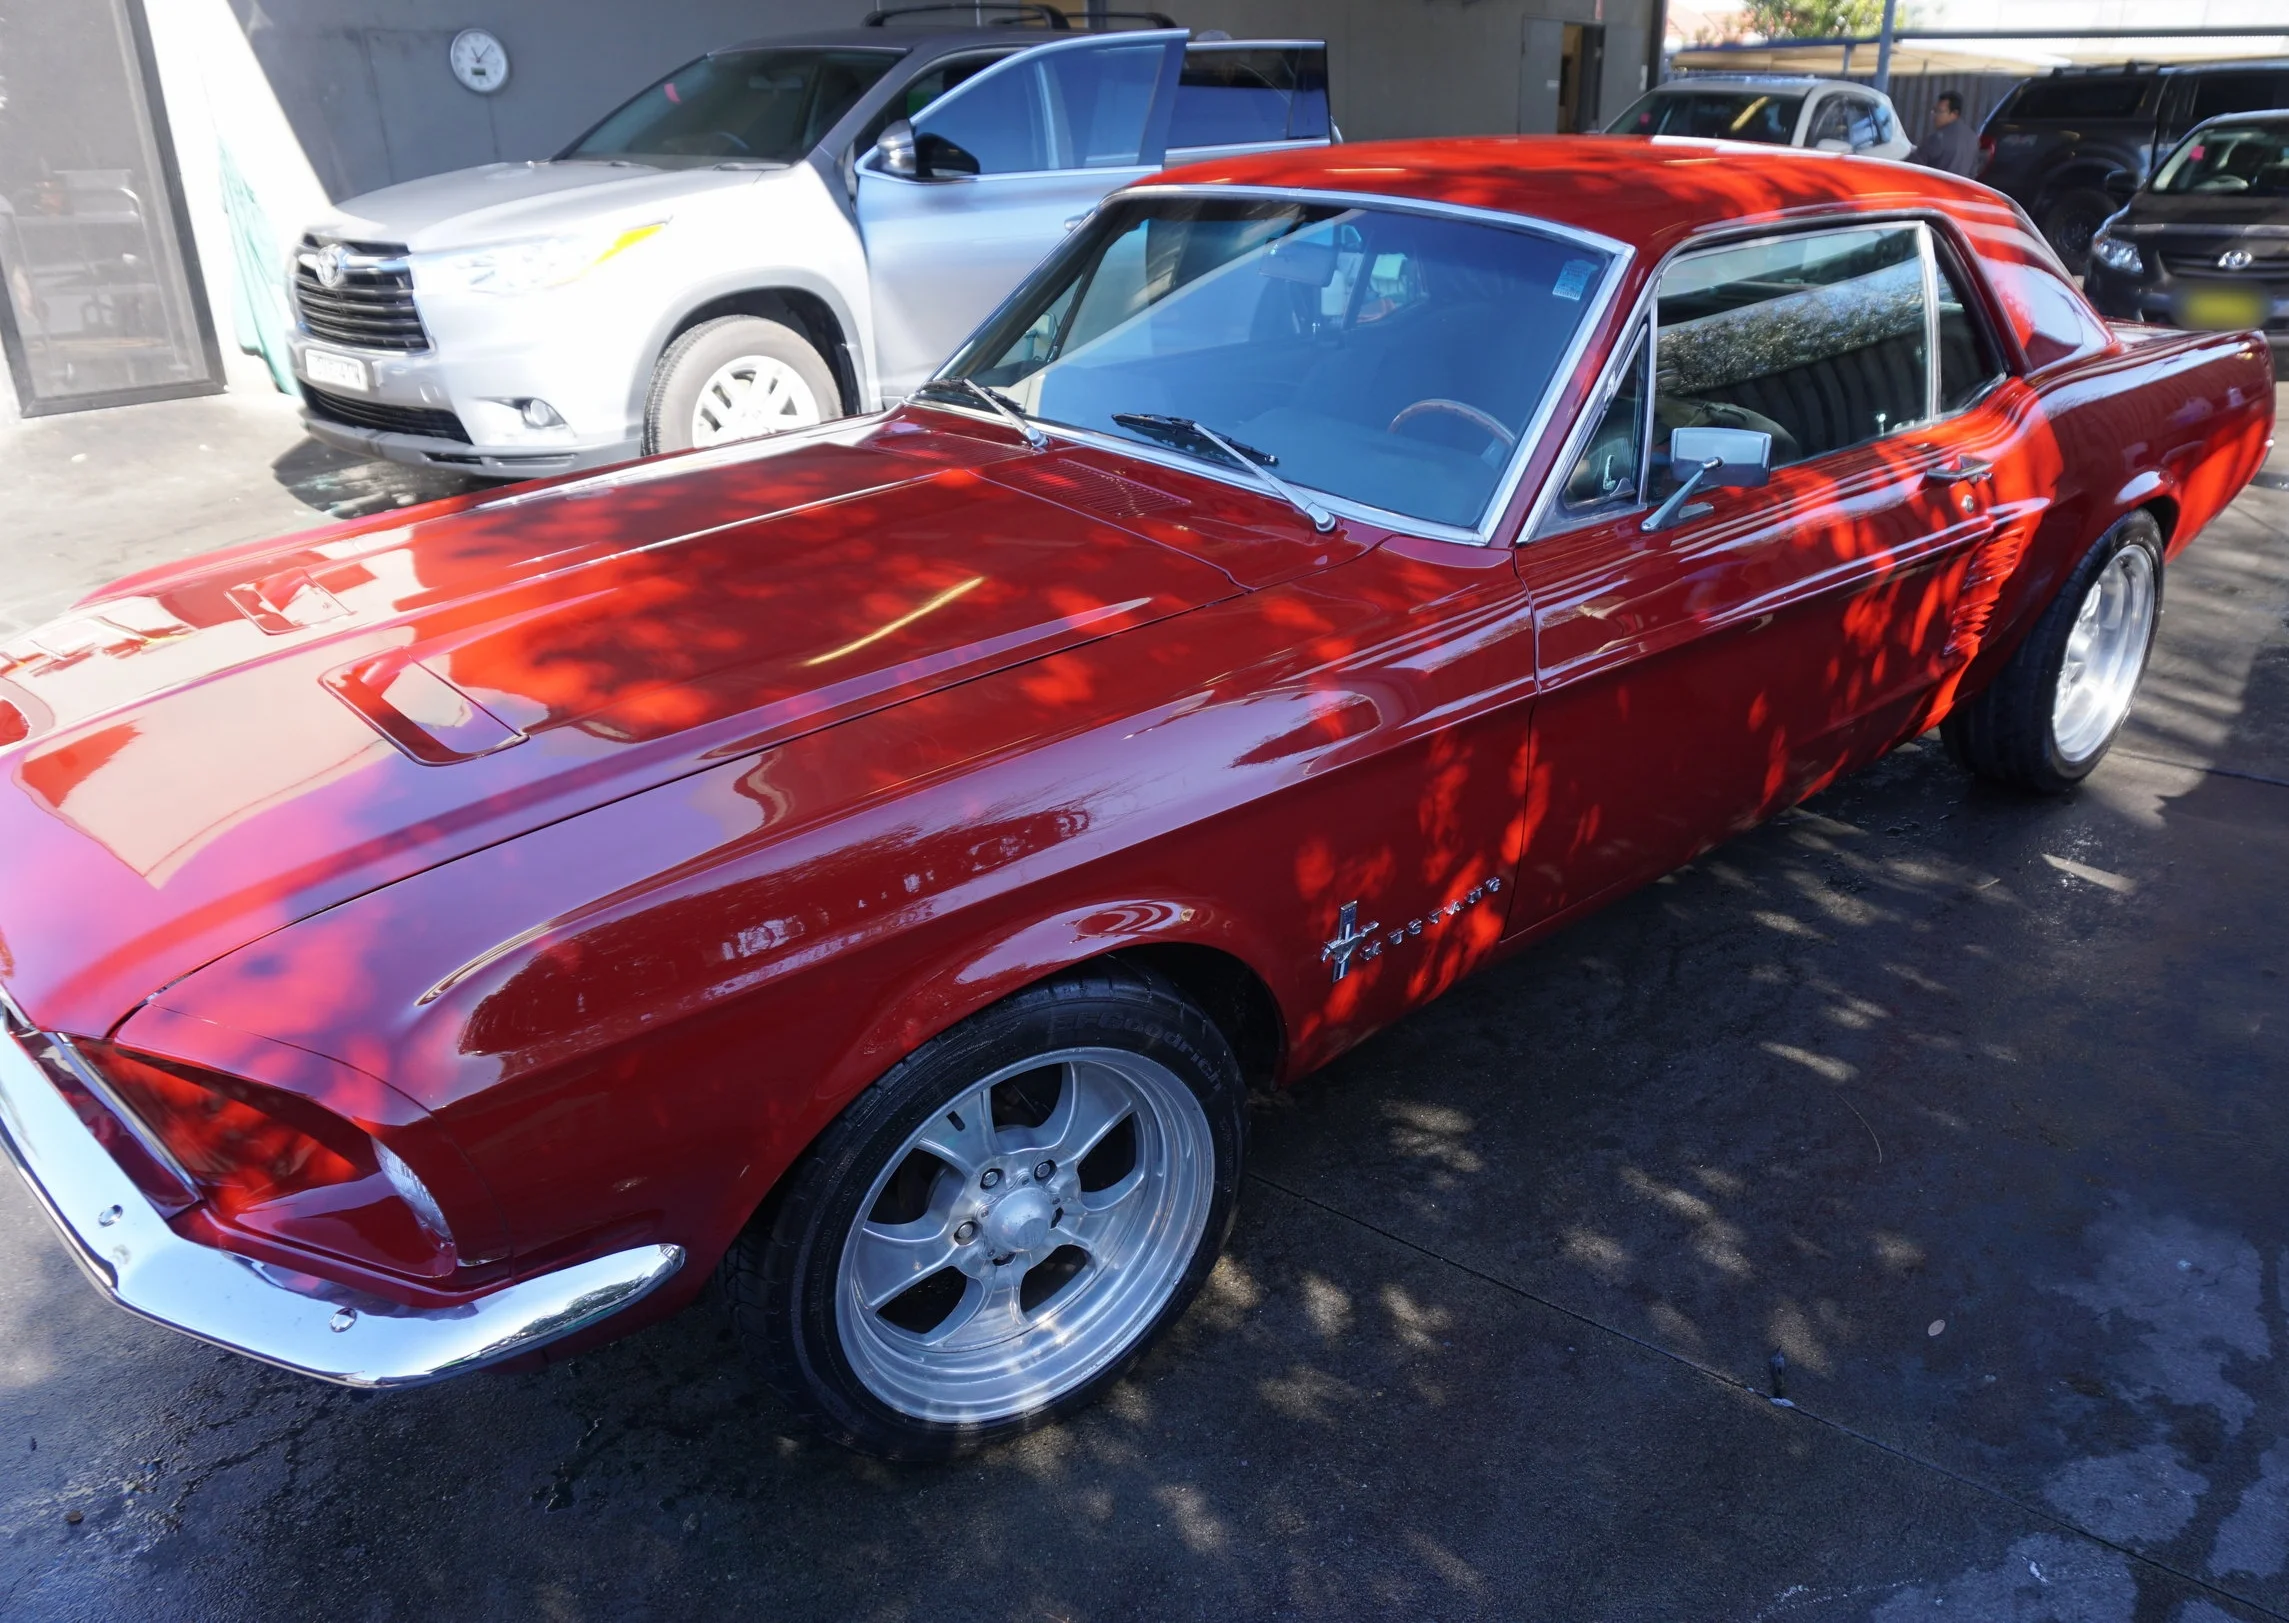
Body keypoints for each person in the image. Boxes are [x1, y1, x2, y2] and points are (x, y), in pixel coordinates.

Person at [1909, 91, 1980, 177]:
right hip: (1960, 189)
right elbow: (1973, 173)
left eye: (1939, 111)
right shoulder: (1972, 138)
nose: (1934, 115)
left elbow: (1912, 165)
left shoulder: (1938, 138)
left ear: (1954, 114)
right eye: (1934, 111)